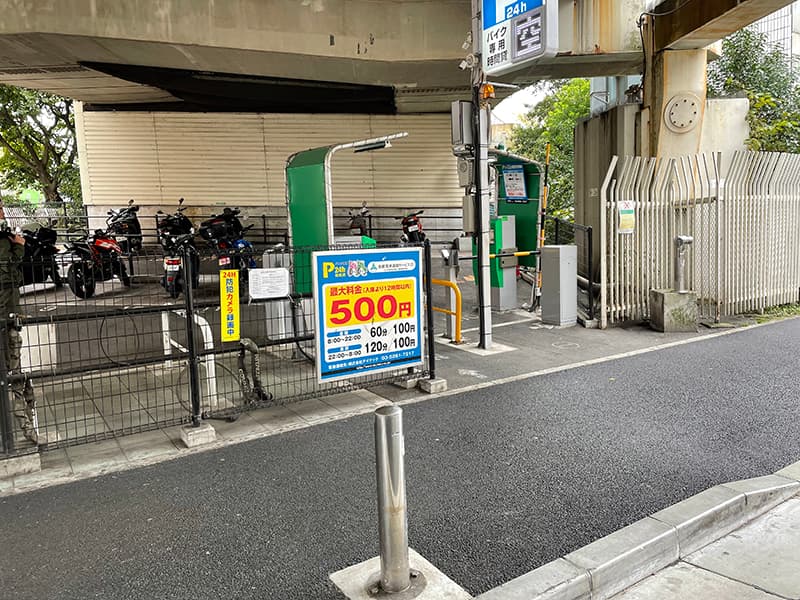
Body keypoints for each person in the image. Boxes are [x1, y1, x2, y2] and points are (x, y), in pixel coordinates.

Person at [0, 204, 37, 445]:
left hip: (8, 315)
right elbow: (6, 271)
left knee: (16, 375)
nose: (3, 213)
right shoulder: (3, 242)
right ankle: (26, 432)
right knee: (13, 374)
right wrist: (19, 248)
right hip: (6, 317)